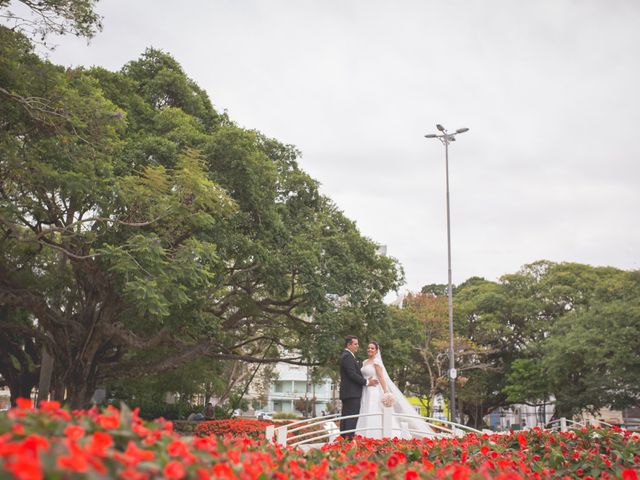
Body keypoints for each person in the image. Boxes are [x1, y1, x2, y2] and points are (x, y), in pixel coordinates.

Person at [355, 341, 434, 439]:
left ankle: (375, 436)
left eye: (372, 348)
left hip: (374, 390)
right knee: (365, 410)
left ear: (376, 351)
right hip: (366, 390)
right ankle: (362, 435)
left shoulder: (376, 362)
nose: (369, 350)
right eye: (368, 348)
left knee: (373, 409)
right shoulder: (364, 362)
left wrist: (386, 392)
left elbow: (381, 377)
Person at [339, 335, 379, 439]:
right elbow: (352, 374)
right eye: (355, 344)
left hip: (349, 393)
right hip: (352, 393)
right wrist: (367, 382)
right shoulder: (347, 356)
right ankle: (348, 441)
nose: (358, 346)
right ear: (349, 345)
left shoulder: (347, 355)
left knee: (346, 418)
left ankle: (344, 440)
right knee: (351, 419)